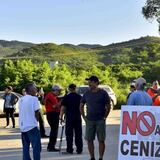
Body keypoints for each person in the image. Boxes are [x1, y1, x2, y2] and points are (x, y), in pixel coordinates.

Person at [80, 76, 111, 160]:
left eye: (90, 82)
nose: (89, 84)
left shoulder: (103, 93)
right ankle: (92, 157)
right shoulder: (87, 93)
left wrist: (105, 117)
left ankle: (101, 158)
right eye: (88, 82)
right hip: (89, 120)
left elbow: (108, 106)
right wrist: (84, 117)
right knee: (89, 140)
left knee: (101, 140)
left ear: (96, 82)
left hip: (100, 120)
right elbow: (81, 105)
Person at [19, 83, 41, 160]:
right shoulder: (34, 99)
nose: (36, 90)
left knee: (25, 147)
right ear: (31, 90)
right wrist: (37, 121)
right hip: (32, 126)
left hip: (23, 126)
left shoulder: (21, 99)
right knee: (36, 147)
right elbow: (37, 112)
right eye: (35, 88)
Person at [60, 84, 83, 154]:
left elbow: (63, 108)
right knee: (78, 134)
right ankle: (79, 149)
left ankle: (69, 149)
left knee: (69, 134)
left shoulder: (66, 97)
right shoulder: (80, 97)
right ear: (75, 89)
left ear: (69, 89)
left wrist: (61, 117)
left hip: (69, 117)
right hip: (78, 117)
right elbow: (82, 107)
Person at [44, 85, 61, 152]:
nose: (59, 92)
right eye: (58, 91)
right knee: (54, 131)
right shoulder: (51, 96)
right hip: (52, 114)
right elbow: (54, 106)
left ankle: (51, 146)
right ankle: (51, 146)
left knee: (54, 131)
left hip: (51, 114)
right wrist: (61, 102)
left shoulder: (51, 95)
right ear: (55, 90)